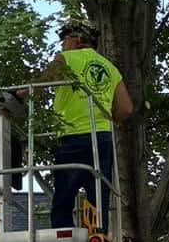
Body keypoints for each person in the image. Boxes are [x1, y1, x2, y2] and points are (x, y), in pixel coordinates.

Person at [20, 22, 133, 230]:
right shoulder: (110, 68)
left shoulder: (67, 58)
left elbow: (42, 81)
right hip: (102, 137)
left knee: (64, 197)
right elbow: (126, 108)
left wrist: (17, 95)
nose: (63, 45)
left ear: (76, 40)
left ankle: (62, 238)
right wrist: (108, 119)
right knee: (98, 195)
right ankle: (98, 239)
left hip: (73, 135)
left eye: (65, 41)